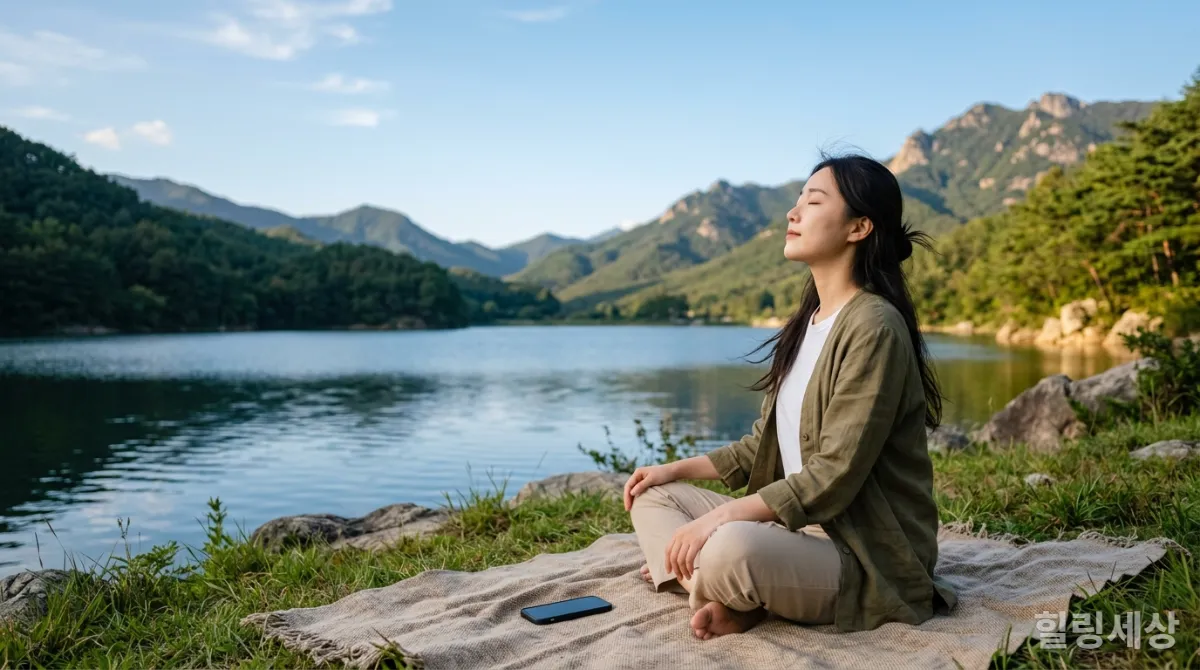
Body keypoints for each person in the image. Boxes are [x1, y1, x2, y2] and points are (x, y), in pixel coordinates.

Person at [625, 153, 958, 641]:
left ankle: (714, 584)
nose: (793, 212)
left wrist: (716, 520)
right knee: (650, 496)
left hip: (860, 551)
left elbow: (833, 474)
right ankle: (737, 594)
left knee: (728, 547)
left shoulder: (873, 326)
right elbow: (760, 445)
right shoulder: (806, 325)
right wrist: (672, 470)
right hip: (793, 533)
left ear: (859, 227)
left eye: (813, 201)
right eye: (797, 200)